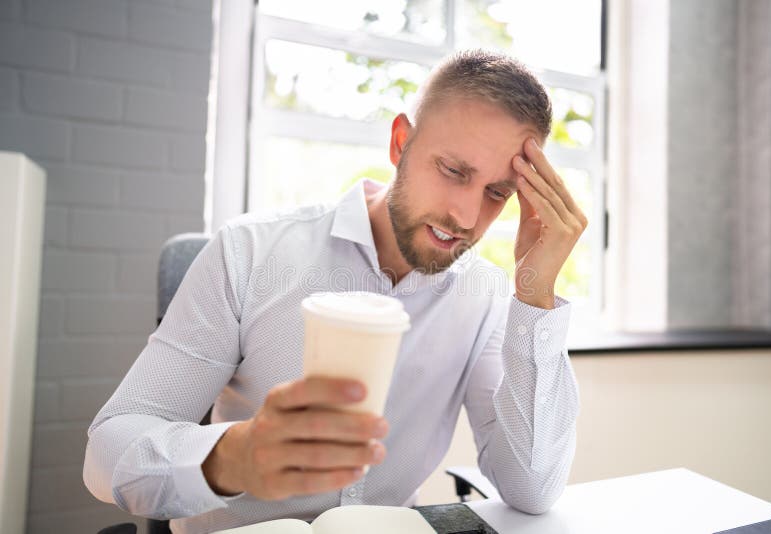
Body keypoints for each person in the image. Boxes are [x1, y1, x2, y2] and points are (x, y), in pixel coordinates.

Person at [83, 49, 587, 534]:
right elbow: (106, 454)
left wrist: (535, 291)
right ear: (399, 143)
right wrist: (232, 457)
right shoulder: (251, 252)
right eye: (454, 171)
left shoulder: (486, 295)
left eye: (497, 193)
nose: (466, 217)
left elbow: (532, 490)